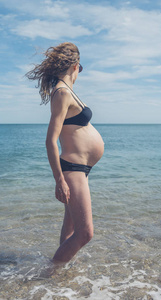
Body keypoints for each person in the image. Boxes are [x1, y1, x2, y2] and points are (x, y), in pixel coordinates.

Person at [26, 42, 104, 263]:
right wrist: (59, 179)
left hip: (80, 169)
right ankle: (50, 274)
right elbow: (51, 140)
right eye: (81, 68)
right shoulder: (61, 92)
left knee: (70, 227)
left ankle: (59, 284)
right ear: (75, 66)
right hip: (72, 169)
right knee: (85, 233)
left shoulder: (67, 91)